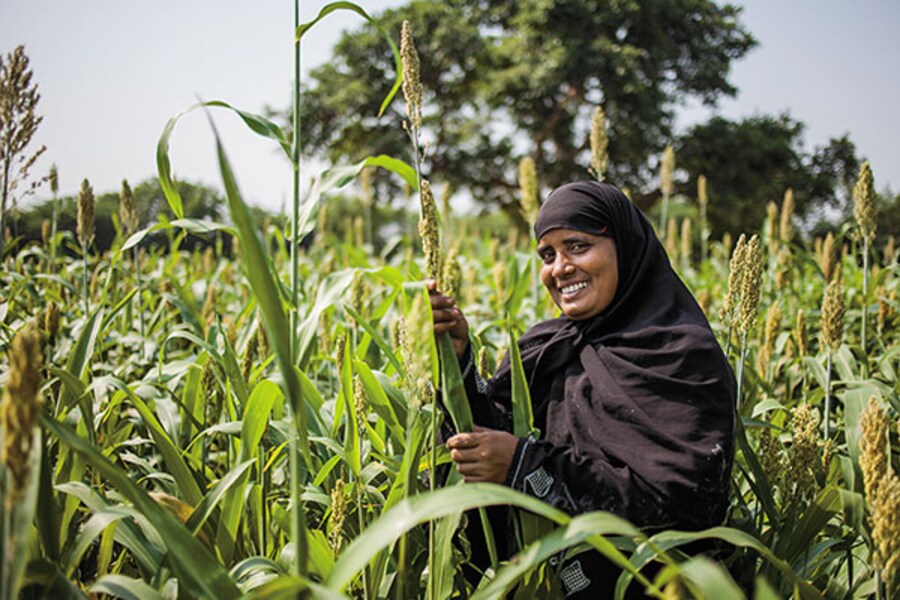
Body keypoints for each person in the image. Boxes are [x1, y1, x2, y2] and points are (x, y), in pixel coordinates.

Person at [429, 181, 736, 598]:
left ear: (624, 247)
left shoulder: (680, 354)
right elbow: (495, 435)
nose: (560, 267)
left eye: (577, 246)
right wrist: (459, 361)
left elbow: (682, 502)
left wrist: (523, 464)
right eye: (548, 254)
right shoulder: (548, 348)